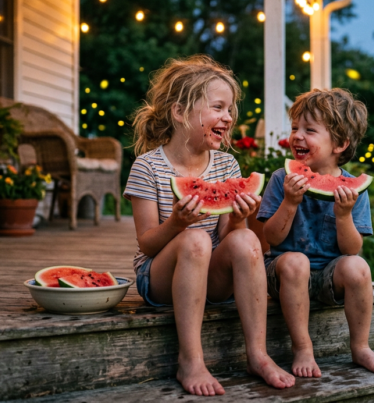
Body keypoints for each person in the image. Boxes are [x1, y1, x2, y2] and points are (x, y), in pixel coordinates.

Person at [124, 55, 295, 396]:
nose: (229, 117)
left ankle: (257, 354)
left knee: (245, 239)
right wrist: (176, 223)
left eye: (230, 109)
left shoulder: (226, 163)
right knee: (195, 242)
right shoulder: (147, 167)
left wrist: (238, 217)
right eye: (218, 107)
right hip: (157, 279)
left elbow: (226, 239)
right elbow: (147, 244)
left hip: (211, 276)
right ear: (179, 112)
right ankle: (190, 360)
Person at [258, 88, 374, 378]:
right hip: (283, 274)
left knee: (358, 267)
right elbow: (271, 237)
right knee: (296, 261)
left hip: (329, 277)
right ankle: (303, 347)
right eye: (295, 128)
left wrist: (343, 215)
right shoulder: (282, 178)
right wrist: (290, 202)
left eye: (309, 130)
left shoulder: (352, 188)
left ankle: (360, 346)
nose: (297, 136)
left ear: (340, 144)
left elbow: (351, 248)